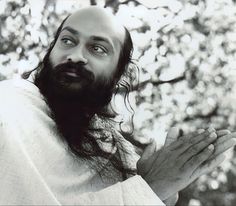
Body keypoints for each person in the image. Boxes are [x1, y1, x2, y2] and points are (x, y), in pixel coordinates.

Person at [0, 6, 235, 205]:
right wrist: (147, 189)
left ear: (119, 74)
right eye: (68, 41)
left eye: (98, 48)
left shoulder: (118, 156)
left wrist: (156, 192)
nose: (75, 55)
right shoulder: (8, 104)